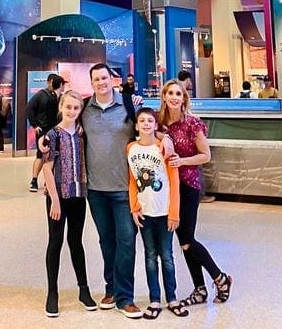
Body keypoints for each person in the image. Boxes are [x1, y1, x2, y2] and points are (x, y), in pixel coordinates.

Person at [158, 79, 232, 307]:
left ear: (183, 98)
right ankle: (199, 289)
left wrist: (182, 162)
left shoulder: (192, 124)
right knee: (182, 241)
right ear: (164, 96)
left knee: (188, 239)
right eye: (170, 93)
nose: (173, 97)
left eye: (178, 94)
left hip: (188, 187)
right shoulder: (159, 123)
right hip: (168, 189)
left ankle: (219, 277)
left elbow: (206, 155)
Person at [82, 63, 143, 318]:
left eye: (104, 78)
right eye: (96, 79)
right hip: (96, 190)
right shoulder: (84, 108)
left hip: (124, 188)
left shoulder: (131, 104)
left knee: (127, 241)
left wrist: (168, 140)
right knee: (107, 242)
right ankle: (111, 289)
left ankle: (125, 297)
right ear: (92, 82)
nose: (101, 83)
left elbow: (151, 129)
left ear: (112, 79)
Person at [40, 90, 98, 318]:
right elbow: (47, 166)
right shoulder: (53, 135)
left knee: (76, 242)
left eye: (76, 108)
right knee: (55, 242)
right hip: (58, 197)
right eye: (68, 107)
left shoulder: (82, 134)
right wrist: (54, 200)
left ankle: (83, 290)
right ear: (61, 108)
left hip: (78, 196)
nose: (72, 111)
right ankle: (52, 293)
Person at [127, 107, 187, 319]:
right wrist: (134, 207)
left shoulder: (164, 148)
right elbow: (133, 181)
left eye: (149, 121)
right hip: (145, 213)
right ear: (136, 125)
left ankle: (172, 297)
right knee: (150, 256)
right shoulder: (131, 149)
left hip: (164, 212)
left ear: (155, 125)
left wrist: (174, 213)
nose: (145, 124)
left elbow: (174, 182)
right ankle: (154, 299)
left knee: (167, 256)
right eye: (141, 120)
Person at [27, 74, 64, 192]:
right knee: (41, 155)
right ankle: (34, 180)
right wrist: (35, 125)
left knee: (54, 155)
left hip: (55, 130)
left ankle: (49, 181)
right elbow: (29, 107)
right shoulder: (41, 95)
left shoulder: (59, 97)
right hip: (43, 129)